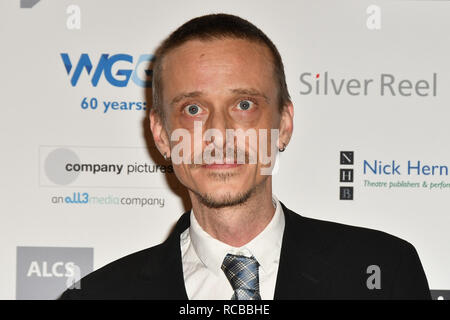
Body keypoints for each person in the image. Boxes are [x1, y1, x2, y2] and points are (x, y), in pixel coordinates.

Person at [59, 13, 430, 300]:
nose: (219, 132)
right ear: (161, 135)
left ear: (284, 123)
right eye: (192, 109)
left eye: (244, 104)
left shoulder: (382, 272)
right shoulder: (99, 295)